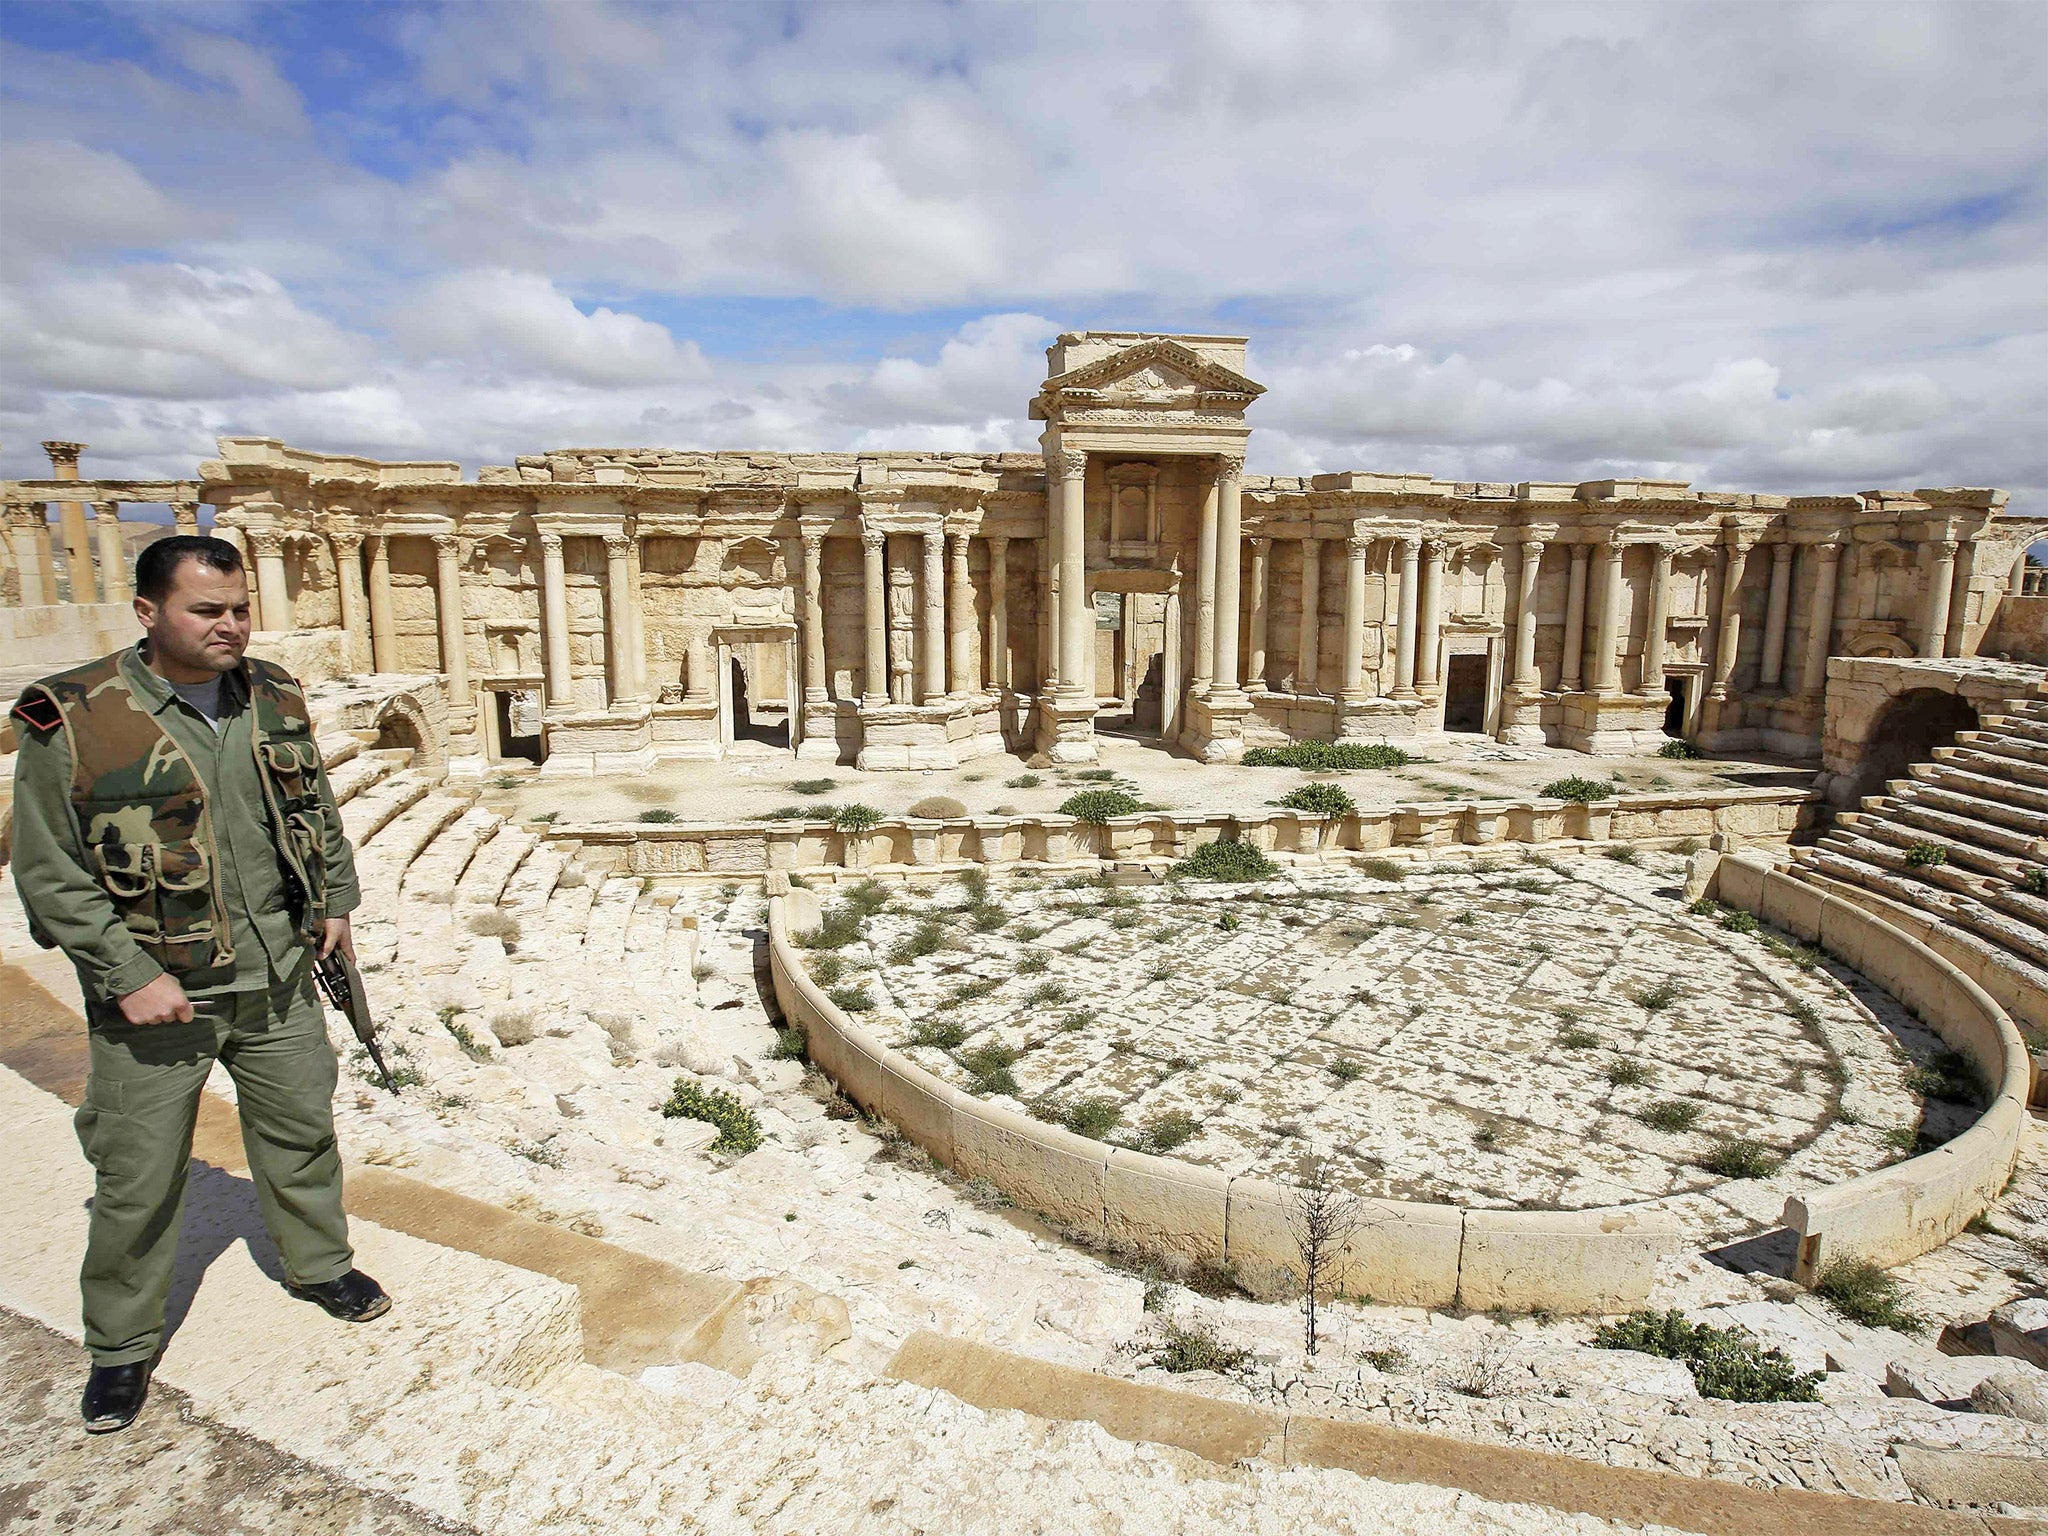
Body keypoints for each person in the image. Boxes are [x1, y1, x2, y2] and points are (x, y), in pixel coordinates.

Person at [9, 534, 391, 1435]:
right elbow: (47, 871)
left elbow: (313, 811)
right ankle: (121, 1346)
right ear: (148, 613)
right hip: (161, 991)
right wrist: (125, 973)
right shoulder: (74, 715)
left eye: (239, 609)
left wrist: (335, 899)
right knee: (138, 1174)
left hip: (279, 974)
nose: (229, 626)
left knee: (301, 1133)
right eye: (206, 610)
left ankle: (318, 1264)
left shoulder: (272, 693)